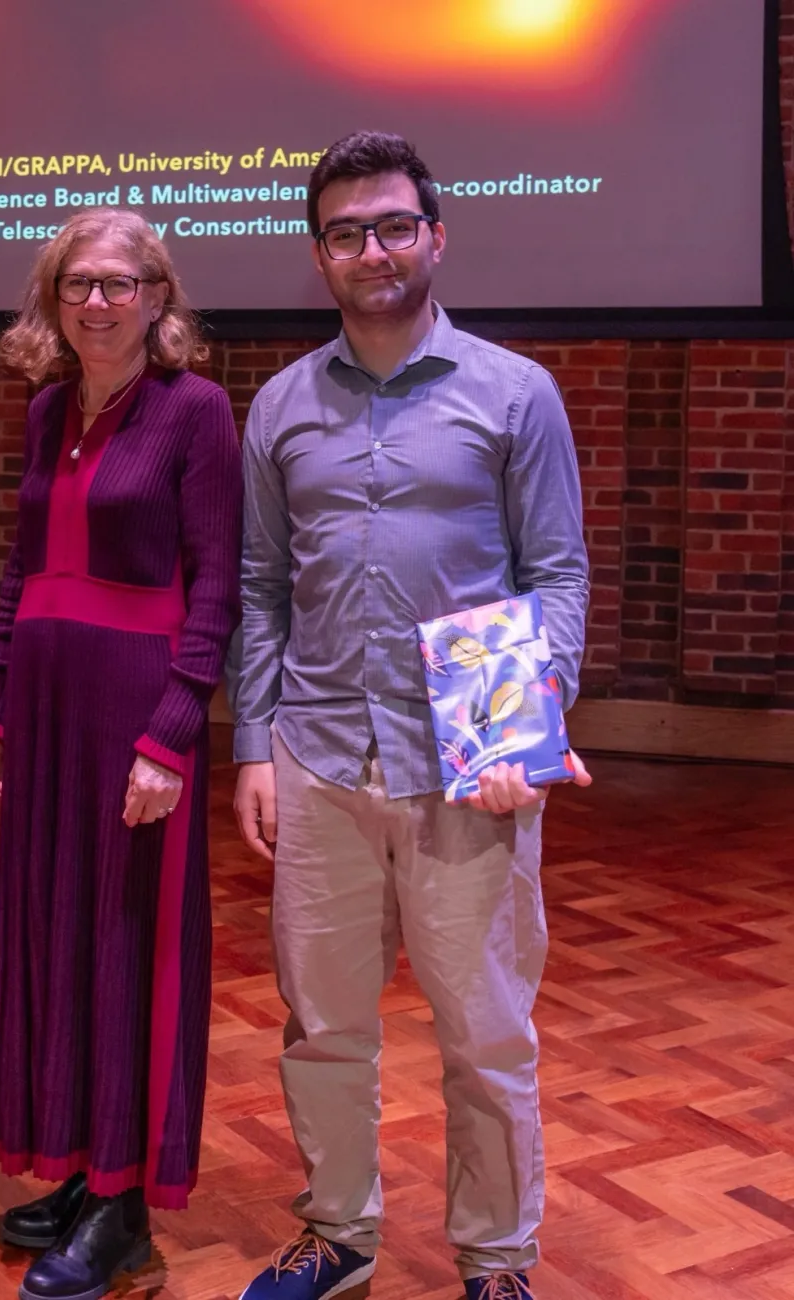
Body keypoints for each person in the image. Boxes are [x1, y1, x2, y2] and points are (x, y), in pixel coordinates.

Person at [230, 132, 592, 1300]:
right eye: (344, 232)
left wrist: (525, 732)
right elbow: (261, 588)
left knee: (485, 1037)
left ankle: (494, 1262)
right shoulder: (280, 405)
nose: (371, 249)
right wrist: (252, 746)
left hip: (465, 769)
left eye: (392, 225)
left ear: (434, 236)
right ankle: (338, 1236)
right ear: (319, 255)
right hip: (321, 756)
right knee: (323, 1025)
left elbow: (557, 578)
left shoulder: (513, 393)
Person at [0, 208, 242, 1300]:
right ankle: (78, 1167)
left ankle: (124, 1206)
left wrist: (174, 730)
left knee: (130, 947)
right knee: (56, 935)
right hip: (45, 705)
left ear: (159, 299)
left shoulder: (196, 411)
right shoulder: (44, 411)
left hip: (134, 709)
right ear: (53, 297)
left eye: (122, 283)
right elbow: (22, 570)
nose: (98, 301)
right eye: (78, 282)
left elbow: (217, 583)